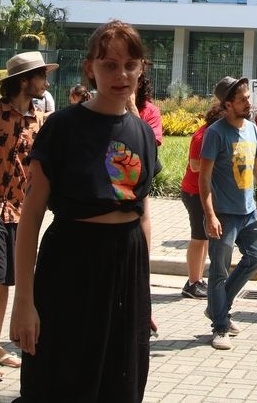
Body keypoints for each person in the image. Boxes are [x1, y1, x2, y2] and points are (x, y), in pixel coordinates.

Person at [11, 20, 160, 401]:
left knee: (120, 384)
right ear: (90, 67)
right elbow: (30, 219)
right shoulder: (62, 128)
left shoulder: (142, 132)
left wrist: (144, 296)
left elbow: (140, 213)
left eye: (130, 64)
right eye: (109, 64)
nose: (121, 74)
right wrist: (23, 304)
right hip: (71, 268)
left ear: (141, 67)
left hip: (127, 269)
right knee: (63, 381)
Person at [199, 76, 257, 351]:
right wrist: (211, 215)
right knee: (218, 272)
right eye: (242, 99)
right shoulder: (215, 133)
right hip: (224, 214)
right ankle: (220, 326)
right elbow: (203, 179)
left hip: (249, 212)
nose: (249, 102)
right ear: (228, 105)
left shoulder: (251, 128)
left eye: (249, 97)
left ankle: (219, 305)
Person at [0, 52, 57, 370]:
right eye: (41, 76)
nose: (46, 83)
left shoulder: (41, 121)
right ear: (24, 80)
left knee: (7, 282)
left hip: (21, 213)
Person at [179, 101, 223, 299]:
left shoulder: (212, 133)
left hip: (203, 192)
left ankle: (197, 279)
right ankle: (191, 283)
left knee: (204, 238)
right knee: (198, 238)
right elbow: (196, 165)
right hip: (194, 193)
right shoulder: (202, 135)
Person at [132, 72, 163, 146]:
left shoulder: (151, 111)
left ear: (139, 83)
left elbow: (151, 145)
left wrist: (131, 107)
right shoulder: (106, 107)